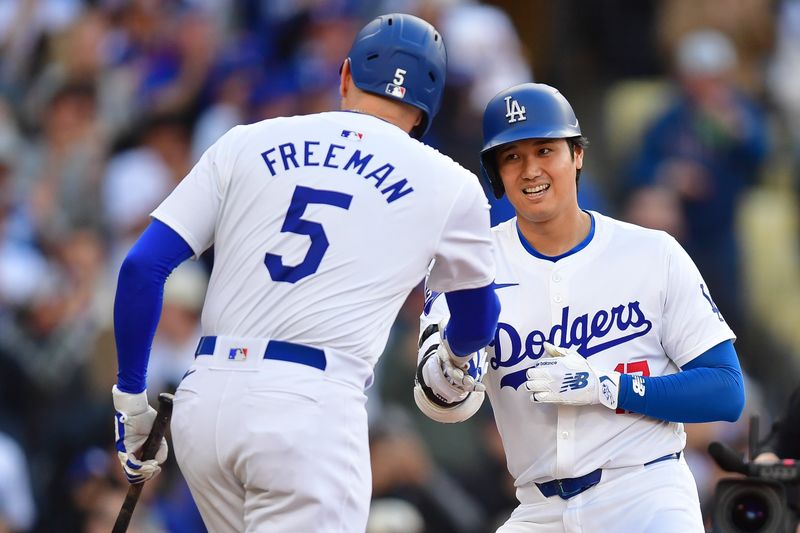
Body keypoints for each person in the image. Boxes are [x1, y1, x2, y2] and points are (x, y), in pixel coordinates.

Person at [111, 13, 500, 533]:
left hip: (205, 403)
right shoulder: (451, 183)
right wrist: (454, 356)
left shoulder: (245, 140)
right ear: (427, 110)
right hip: (309, 409)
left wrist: (131, 400)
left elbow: (141, 268)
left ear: (344, 76)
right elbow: (478, 321)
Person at [414, 82, 746, 532]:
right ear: (495, 173)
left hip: (644, 491)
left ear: (577, 155)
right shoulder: (468, 265)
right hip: (539, 507)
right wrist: (453, 362)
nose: (531, 170)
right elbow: (443, 403)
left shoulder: (652, 252)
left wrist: (609, 388)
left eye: (545, 150)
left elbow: (726, 391)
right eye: (512, 157)